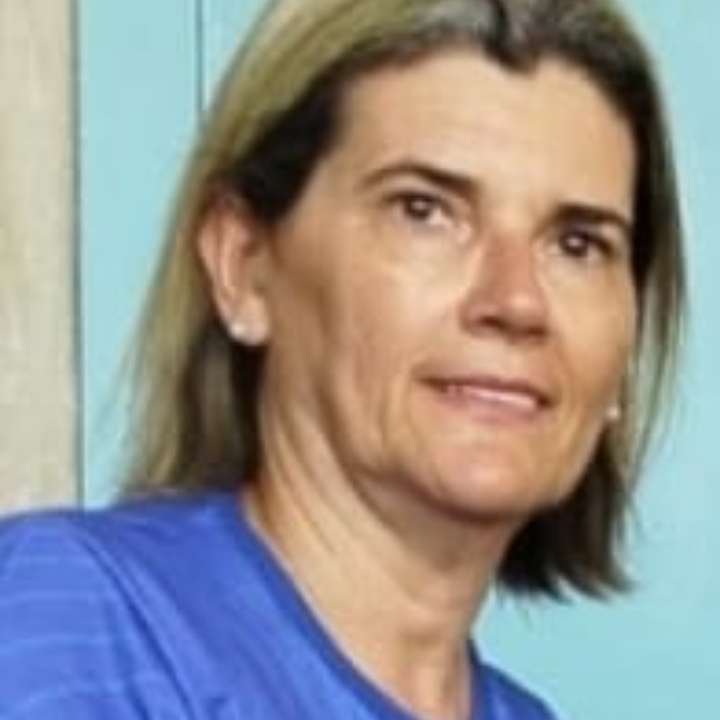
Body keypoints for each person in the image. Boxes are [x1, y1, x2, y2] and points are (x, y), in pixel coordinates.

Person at [0, 0, 685, 718]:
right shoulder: (71, 623)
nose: (516, 301)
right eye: (424, 210)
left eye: (579, 245)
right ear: (242, 264)